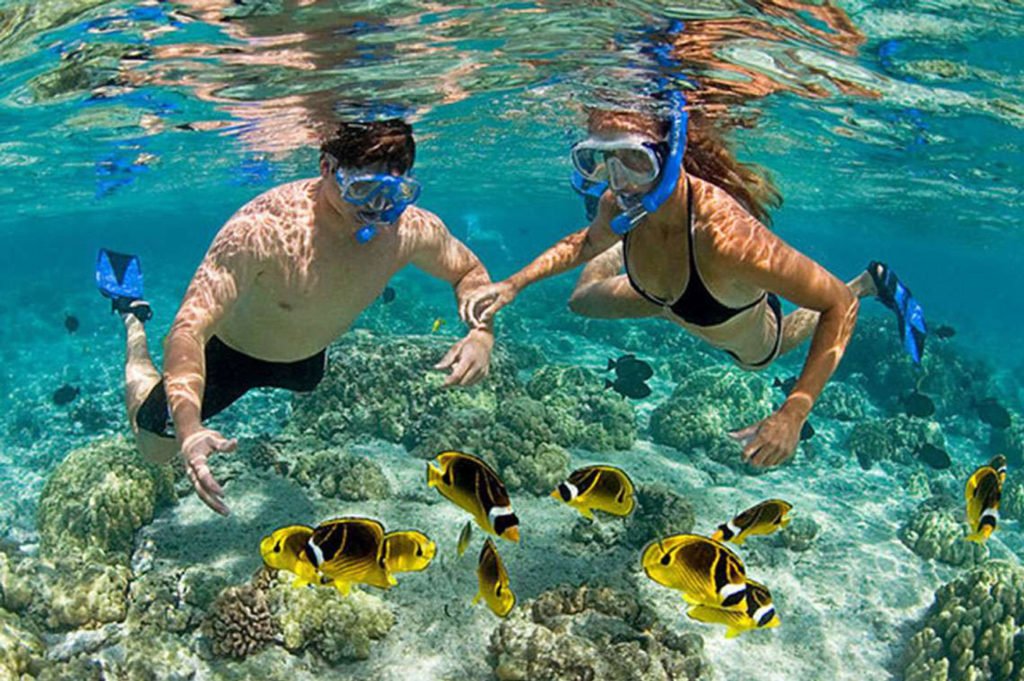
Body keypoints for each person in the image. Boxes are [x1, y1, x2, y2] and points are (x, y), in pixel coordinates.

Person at [464, 93, 925, 468]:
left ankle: (869, 281)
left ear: (670, 154)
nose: (620, 181)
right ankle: (635, 256)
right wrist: (515, 283)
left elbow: (837, 305)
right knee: (581, 299)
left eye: (635, 160)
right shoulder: (616, 204)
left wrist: (794, 410)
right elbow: (584, 244)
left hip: (721, 307)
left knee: (763, 357)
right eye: (601, 160)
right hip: (663, 295)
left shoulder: (728, 240)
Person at [98, 119, 495, 515]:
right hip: (230, 355)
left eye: (394, 193)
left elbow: (468, 271)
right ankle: (132, 317)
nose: (377, 208)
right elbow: (189, 330)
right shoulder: (261, 229)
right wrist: (188, 432)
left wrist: (481, 333)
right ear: (326, 167)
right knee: (155, 450)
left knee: (306, 378)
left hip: (306, 359)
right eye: (362, 189)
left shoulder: (410, 229)